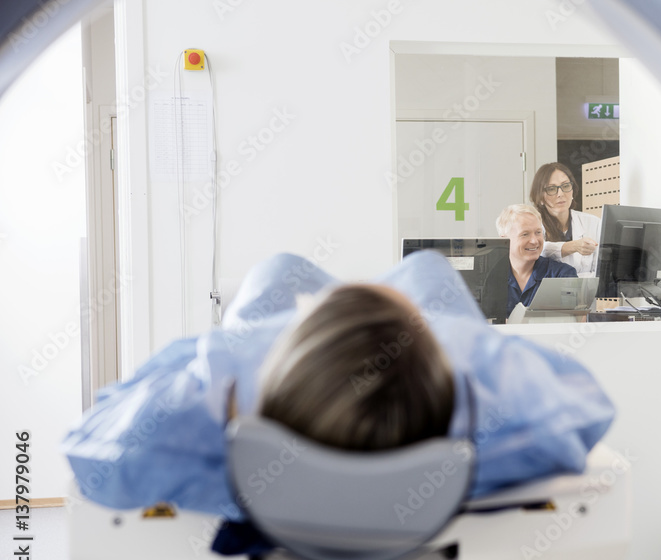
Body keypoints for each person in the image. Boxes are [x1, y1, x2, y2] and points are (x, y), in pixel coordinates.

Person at [61, 251, 614, 520]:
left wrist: (239, 350)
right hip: (402, 363)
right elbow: (583, 401)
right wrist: (442, 337)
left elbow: (93, 441)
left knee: (280, 270)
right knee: (425, 269)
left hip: (290, 370)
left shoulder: (223, 452)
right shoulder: (488, 431)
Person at [496, 203, 577, 318]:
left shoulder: (562, 275)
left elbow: (574, 320)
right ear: (505, 241)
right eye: (525, 234)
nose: (534, 241)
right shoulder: (488, 279)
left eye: (538, 232)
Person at [531, 162, 602, 278]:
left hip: (587, 289)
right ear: (540, 197)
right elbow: (535, 251)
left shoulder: (593, 223)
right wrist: (573, 246)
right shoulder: (532, 225)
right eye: (551, 189)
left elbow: (601, 273)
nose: (560, 194)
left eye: (565, 186)